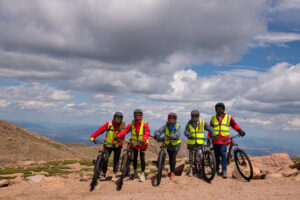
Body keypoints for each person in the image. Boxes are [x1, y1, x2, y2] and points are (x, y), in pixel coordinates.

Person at [209, 102, 246, 178]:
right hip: (215, 140)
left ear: (223, 109)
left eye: (220, 108)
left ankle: (224, 171)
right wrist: (209, 138)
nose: (219, 110)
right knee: (216, 156)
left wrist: (239, 130)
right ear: (216, 110)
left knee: (223, 154)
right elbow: (210, 129)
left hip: (224, 140)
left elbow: (234, 125)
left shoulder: (228, 117)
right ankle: (216, 170)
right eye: (217, 109)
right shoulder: (213, 118)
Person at [115, 109, 151, 182]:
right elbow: (125, 130)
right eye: (136, 115)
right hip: (135, 144)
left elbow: (147, 132)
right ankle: (134, 172)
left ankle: (143, 174)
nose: (137, 117)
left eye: (139, 115)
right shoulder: (132, 123)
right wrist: (118, 136)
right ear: (134, 115)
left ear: (141, 116)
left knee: (142, 158)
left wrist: (143, 140)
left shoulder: (144, 123)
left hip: (143, 144)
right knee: (134, 158)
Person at [89, 112, 125, 182]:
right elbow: (100, 130)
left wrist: (119, 142)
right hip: (108, 145)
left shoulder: (122, 126)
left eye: (119, 118)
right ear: (114, 117)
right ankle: (104, 173)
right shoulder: (109, 124)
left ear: (121, 119)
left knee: (116, 160)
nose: (118, 119)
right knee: (105, 159)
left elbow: (122, 135)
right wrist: (93, 136)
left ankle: (114, 174)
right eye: (116, 117)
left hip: (117, 146)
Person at [184, 110, 217, 177]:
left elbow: (209, 128)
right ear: (191, 116)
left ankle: (201, 170)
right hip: (191, 142)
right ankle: (191, 170)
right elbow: (185, 132)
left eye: (196, 116)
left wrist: (213, 134)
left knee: (201, 156)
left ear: (198, 116)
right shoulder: (189, 123)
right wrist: (189, 135)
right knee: (191, 157)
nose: (194, 117)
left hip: (199, 142)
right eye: (193, 116)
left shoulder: (202, 122)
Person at [154, 113, 181, 179]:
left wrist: (169, 136)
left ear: (175, 120)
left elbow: (177, 135)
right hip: (168, 144)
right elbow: (159, 130)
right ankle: (160, 163)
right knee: (166, 154)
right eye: (170, 118)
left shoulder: (177, 127)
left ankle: (172, 172)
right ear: (168, 119)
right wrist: (157, 134)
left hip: (175, 145)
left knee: (172, 158)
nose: (171, 120)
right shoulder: (166, 125)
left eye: (173, 118)